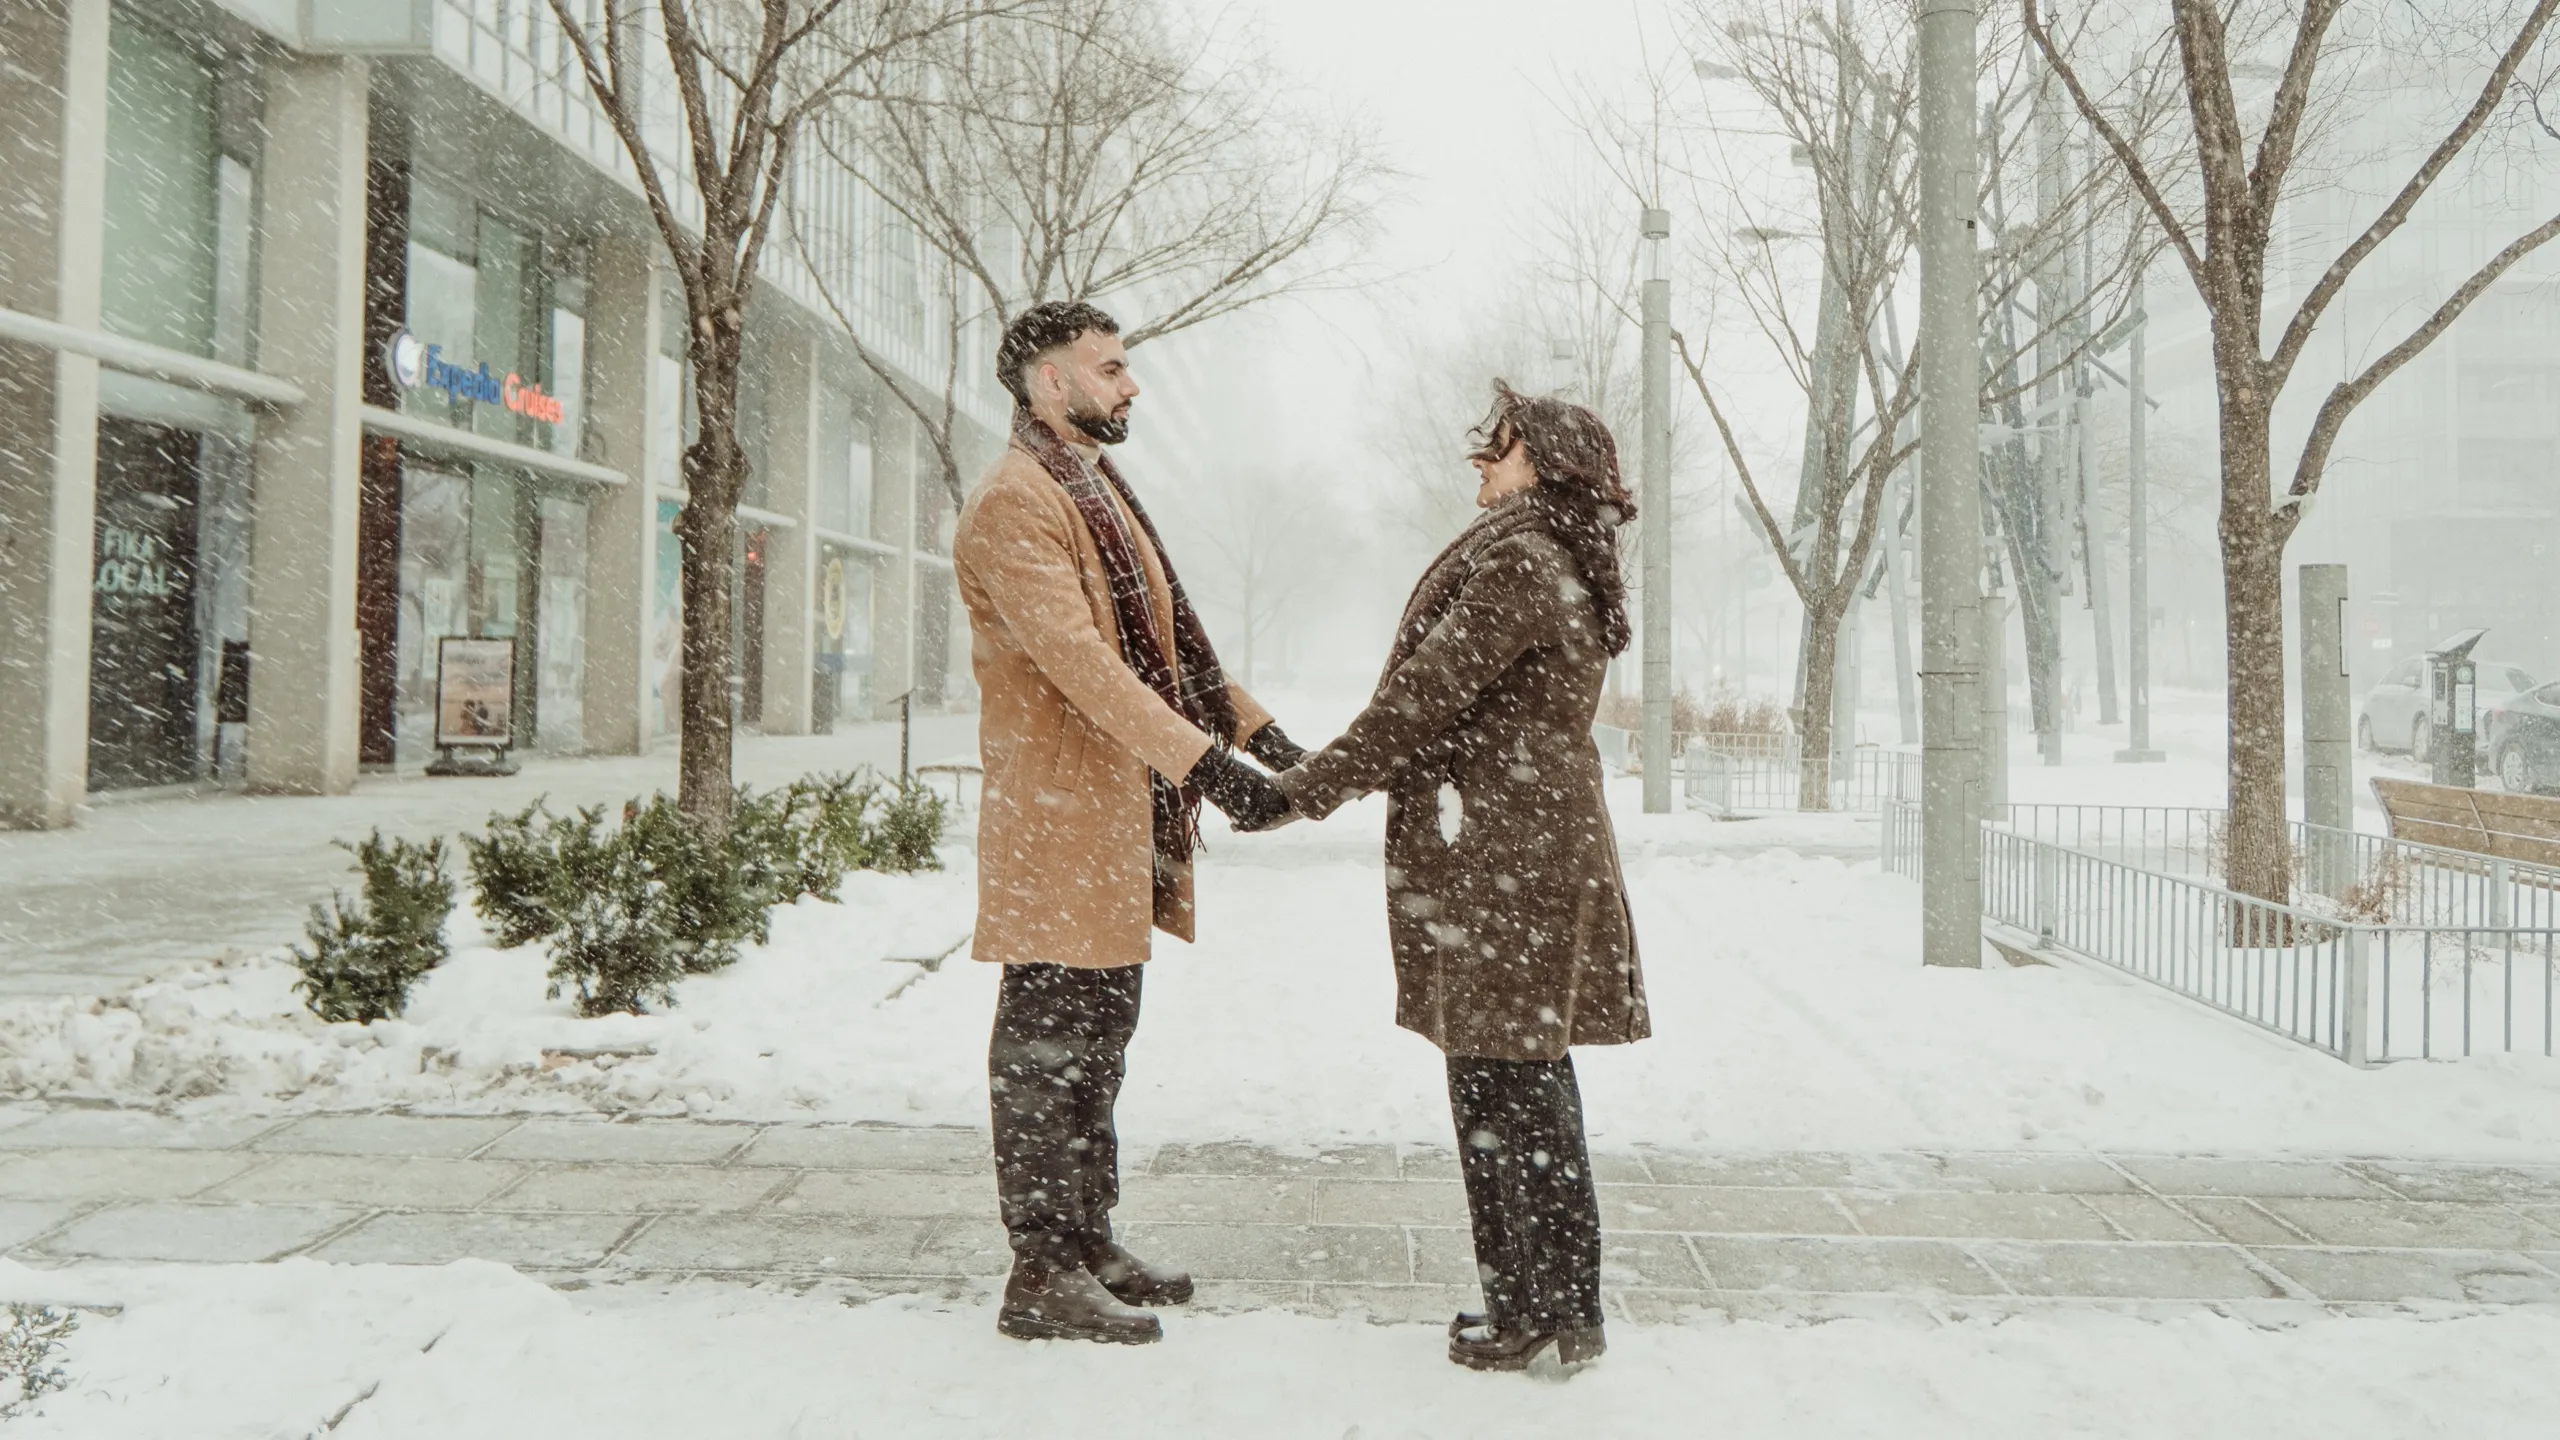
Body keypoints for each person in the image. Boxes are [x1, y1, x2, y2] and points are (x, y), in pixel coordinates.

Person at [1271, 382, 1648, 1372]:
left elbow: (1415, 704)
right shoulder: (1549, 556)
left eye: (1499, 447)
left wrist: (1298, 791)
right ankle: (1559, 1308)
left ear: (1540, 460)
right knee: (1524, 1085)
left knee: (1500, 1092)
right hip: (1519, 847)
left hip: (1503, 859)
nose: (1479, 461)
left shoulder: (1523, 562)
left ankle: (1529, 1312)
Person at [951, 300, 1301, 1345]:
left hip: (1113, 818)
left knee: (1098, 1045)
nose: (1130, 384)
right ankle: (1040, 1272)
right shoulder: (1015, 505)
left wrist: (1265, 737)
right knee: (1046, 1050)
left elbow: (1164, 643)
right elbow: (1088, 669)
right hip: (1059, 821)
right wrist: (1214, 771)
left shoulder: (1095, 491)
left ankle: (1086, 1240)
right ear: (1046, 382)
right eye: (1109, 368)